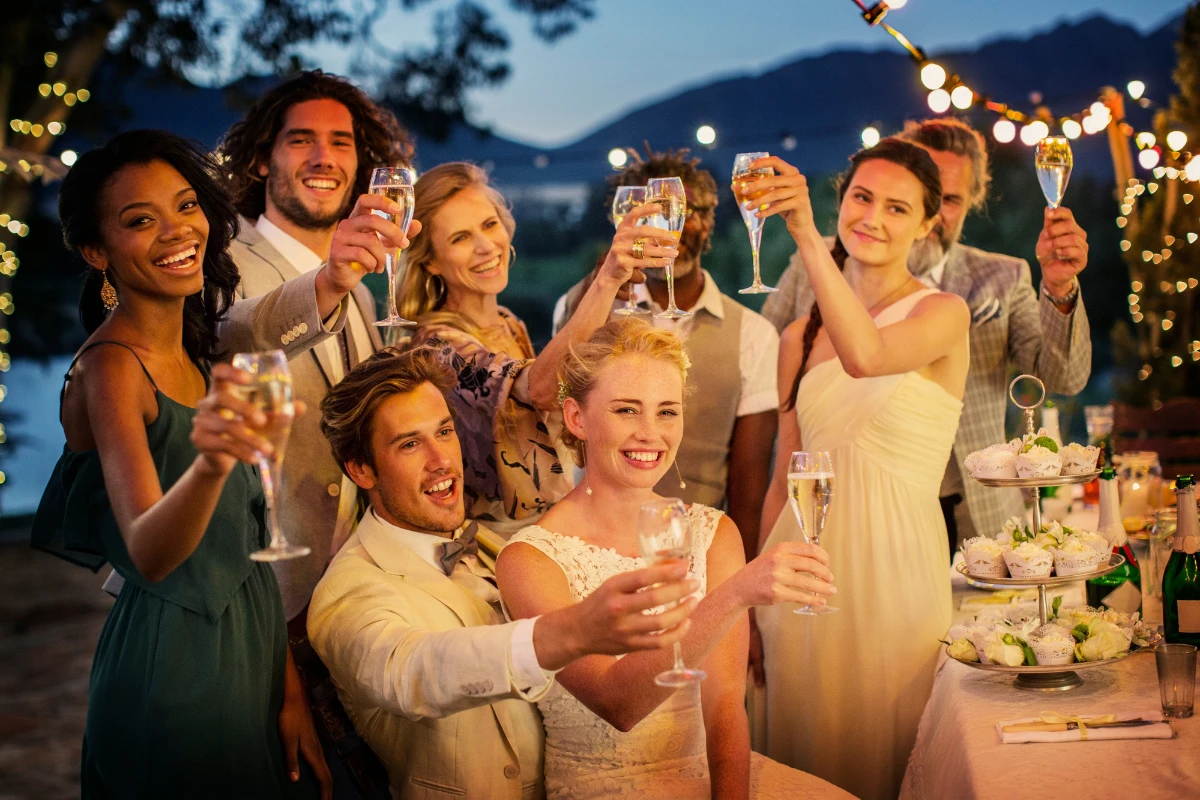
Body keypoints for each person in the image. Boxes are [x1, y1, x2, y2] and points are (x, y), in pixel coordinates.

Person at [32, 130, 330, 798]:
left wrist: (286, 692)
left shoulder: (200, 360)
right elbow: (149, 553)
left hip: (250, 657)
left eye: (186, 206)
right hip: (176, 671)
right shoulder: (110, 368)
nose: (177, 231)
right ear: (95, 251)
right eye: (141, 221)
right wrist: (216, 460)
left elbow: (244, 551)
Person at [307, 346, 705, 799]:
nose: (442, 461)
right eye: (410, 444)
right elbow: (414, 671)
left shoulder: (505, 543)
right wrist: (573, 630)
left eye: (444, 432)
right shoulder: (347, 591)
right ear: (361, 469)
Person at [497, 318, 851, 800]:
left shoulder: (713, 533)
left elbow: (726, 707)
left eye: (667, 412)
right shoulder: (529, 559)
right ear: (576, 418)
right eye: (626, 410)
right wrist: (734, 595)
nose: (650, 434)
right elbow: (618, 704)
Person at [762, 118, 1091, 551]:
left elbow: (1063, 380)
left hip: (968, 514)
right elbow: (765, 369)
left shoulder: (999, 278)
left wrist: (1061, 289)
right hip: (830, 515)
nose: (938, 214)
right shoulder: (815, 264)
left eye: (950, 198)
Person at [753, 140, 967, 800]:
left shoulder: (943, 313)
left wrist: (807, 238)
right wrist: (755, 593)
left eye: (897, 208)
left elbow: (867, 357)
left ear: (927, 225)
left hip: (897, 569)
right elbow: (781, 477)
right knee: (805, 755)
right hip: (804, 572)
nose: (872, 218)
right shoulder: (796, 338)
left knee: (894, 747)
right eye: (862, 198)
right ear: (843, 197)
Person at [217, 70, 418, 620]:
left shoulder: (363, 297)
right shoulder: (217, 260)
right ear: (262, 160)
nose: (323, 157)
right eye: (301, 139)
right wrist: (326, 283)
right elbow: (227, 336)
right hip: (246, 589)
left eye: (341, 142)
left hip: (344, 588)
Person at [402, 162, 677, 533]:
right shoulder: (437, 344)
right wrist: (607, 281)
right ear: (431, 261)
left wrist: (598, 284)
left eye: (488, 225)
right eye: (460, 238)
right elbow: (542, 389)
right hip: (490, 545)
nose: (486, 247)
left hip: (550, 524)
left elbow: (556, 376)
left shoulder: (505, 322)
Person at [551, 146, 779, 560]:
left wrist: (739, 589)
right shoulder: (581, 305)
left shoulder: (755, 334)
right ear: (624, 224)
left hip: (696, 551)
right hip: (591, 541)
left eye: (684, 212)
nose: (667, 228)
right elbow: (554, 417)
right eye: (648, 214)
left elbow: (749, 488)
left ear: (708, 223)